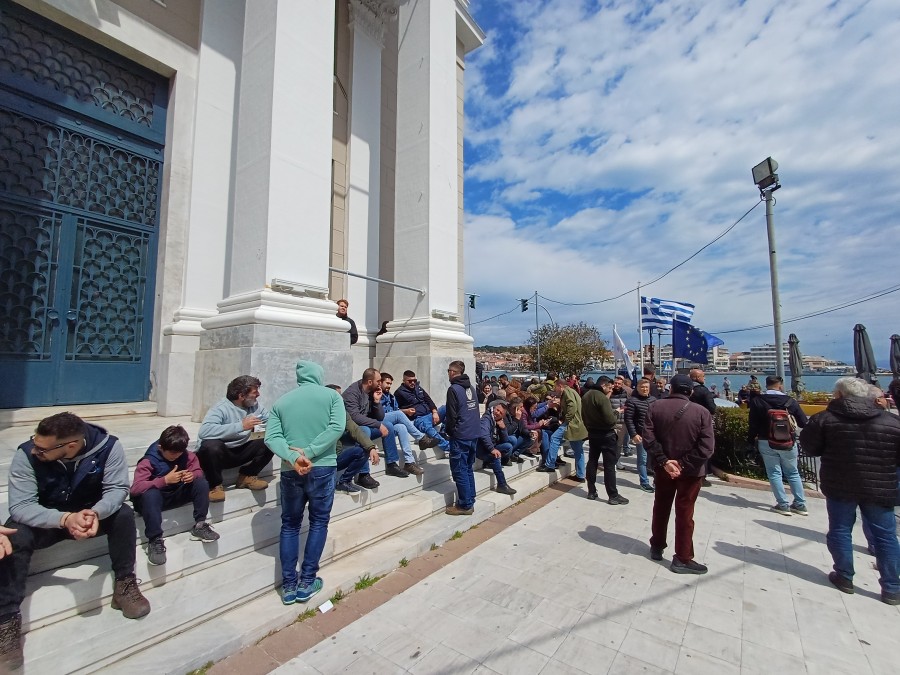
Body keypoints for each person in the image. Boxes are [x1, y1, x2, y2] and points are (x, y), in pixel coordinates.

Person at [1, 413, 150, 668]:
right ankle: (6, 620)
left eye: (42, 448)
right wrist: (64, 519)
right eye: (34, 442)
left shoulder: (109, 446)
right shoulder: (26, 454)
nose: (35, 450)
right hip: (46, 521)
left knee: (123, 514)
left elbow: (117, 489)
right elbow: (21, 506)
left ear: (69, 446)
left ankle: (125, 585)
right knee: (13, 534)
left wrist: (96, 513)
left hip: (88, 516)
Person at [799, 377, 900, 605]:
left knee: (840, 530)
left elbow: (810, 448)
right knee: (885, 536)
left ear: (838, 395)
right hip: (880, 486)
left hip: (840, 484)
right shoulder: (892, 422)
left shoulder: (825, 419)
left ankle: (844, 576)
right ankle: (892, 587)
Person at [265, 361, 345, 605]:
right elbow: (337, 427)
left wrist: (294, 456)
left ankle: (289, 586)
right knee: (319, 522)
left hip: (292, 469)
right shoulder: (332, 397)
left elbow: (271, 437)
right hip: (322, 466)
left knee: (290, 525)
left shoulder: (281, 402)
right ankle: (307, 581)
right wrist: (310, 452)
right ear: (319, 375)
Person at [644, 374, 715, 574]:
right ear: (690, 391)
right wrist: (682, 465)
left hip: (663, 468)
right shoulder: (701, 412)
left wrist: (665, 462)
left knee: (661, 506)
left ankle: (657, 545)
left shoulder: (655, 407)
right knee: (685, 513)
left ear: (670, 388)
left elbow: (648, 438)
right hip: (691, 472)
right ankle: (682, 557)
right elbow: (707, 447)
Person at [130, 425, 219, 566]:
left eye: (179, 453)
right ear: (160, 447)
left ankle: (200, 525)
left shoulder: (188, 455)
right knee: (150, 495)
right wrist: (164, 480)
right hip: (153, 501)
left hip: (175, 494)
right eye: (172, 453)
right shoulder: (148, 461)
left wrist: (192, 475)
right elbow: (135, 488)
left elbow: (198, 471)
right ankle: (155, 540)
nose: (176, 456)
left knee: (201, 482)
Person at [197, 375, 273, 502]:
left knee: (271, 439)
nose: (258, 395)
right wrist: (241, 426)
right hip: (221, 455)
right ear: (241, 395)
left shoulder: (255, 406)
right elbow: (205, 432)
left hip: (242, 450)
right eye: (255, 392)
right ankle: (215, 485)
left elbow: (271, 420)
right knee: (210, 446)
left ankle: (247, 476)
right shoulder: (221, 408)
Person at [747, 375, 809, 516]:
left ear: (766, 384)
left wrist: (750, 441)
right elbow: (803, 422)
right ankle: (800, 504)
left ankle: (783, 504)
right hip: (788, 441)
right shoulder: (790, 401)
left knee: (774, 473)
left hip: (766, 440)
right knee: (793, 472)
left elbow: (753, 424)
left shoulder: (758, 401)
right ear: (780, 385)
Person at [342, 368, 409, 479]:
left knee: (388, 425)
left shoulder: (371, 392)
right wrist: (377, 425)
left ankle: (392, 464)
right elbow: (355, 418)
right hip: (349, 432)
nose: (380, 384)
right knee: (365, 430)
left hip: (362, 427)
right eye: (378, 381)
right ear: (369, 382)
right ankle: (364, 474)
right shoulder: (352, 393)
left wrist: (377, 402)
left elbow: (380, 417)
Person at [323, 385, 381, 494]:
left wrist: (371, 448)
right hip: (320, 460)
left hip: (336, 458)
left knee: (363, 450)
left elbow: (355, 429)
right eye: (338, 396)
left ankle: (344, 482)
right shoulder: (319, 412)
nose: (341, 399)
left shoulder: (342, 413)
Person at [444, 360, 482, 515]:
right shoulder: (470, 387)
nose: (448, 373)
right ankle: (470, 496)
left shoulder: (453, 389)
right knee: (467, 468)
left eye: (449, 371)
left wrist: (449, 432)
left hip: (461, 434)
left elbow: (452, 415)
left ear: (453, 372)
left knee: (459, 469)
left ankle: (465, 504)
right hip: (473, 433)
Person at [581, 376, 625, 504]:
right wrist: (616, 412)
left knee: (592, 461)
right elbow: (610, 419)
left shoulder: (586, 396)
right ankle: (613, 495)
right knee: (609, 466)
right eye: (610, 387)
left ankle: (591, 491)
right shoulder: (602, 398)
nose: (611, 390)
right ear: (603, 385)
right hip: (606, 434)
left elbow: (584, 415)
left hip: (592, 433)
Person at [380, 373, 433, 475]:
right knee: (399, 415)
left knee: (402, 427)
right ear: (380, 382)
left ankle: (409, 462)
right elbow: (377, 413)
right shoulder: (376, 395)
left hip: (389, 425)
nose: (389, 386)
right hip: (378, 422)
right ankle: (421, 438)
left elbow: (396, 410)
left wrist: (406, 411)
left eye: (390, 384)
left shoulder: (390, 396)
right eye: (387, 383)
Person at [394, 371, 451, 453]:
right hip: (419, 419)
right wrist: (406, 411)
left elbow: (429, 400)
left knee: (447, 408)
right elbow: (395, 410)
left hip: (430, 414)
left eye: (414, 380)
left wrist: (434, 412)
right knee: (427, 427)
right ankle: (447, 447)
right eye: (410, 381)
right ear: (404, 381)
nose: (413, 383)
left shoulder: (418, 387)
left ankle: (443, 432)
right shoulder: (399, 393)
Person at [478, 402, 518, 496]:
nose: (497, 413)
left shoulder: (497, 420)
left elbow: (505, 440)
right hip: (481, 449)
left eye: (501, 413)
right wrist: (492, 449)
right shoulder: (486, 419)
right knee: (495, 455)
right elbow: (484, 435)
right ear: (494, 408)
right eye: (497, 410)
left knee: (508, 446)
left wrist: (503, 428)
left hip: (491, 446)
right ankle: (502, 484)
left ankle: (494, 463)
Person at [624, 378, 657, 493]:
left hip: (654, 435)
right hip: (641, 435)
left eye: (646, 387)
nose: (644, 389)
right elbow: (628, 419)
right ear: (637, 388)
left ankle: (656, 481)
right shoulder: (632, 401)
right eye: (642, 387)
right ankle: (644, 482)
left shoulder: (654, 400)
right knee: (642, 460)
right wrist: (633, 434)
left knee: (656, 459)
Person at [689, 368, 716, 487]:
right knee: (704, 448)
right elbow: (712, 408)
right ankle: (702, 476)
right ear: (697, 378)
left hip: (686, 424)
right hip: (701, 424)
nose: (704, 378)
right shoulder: (704, 391)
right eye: (703, 376)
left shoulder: (686, 390)